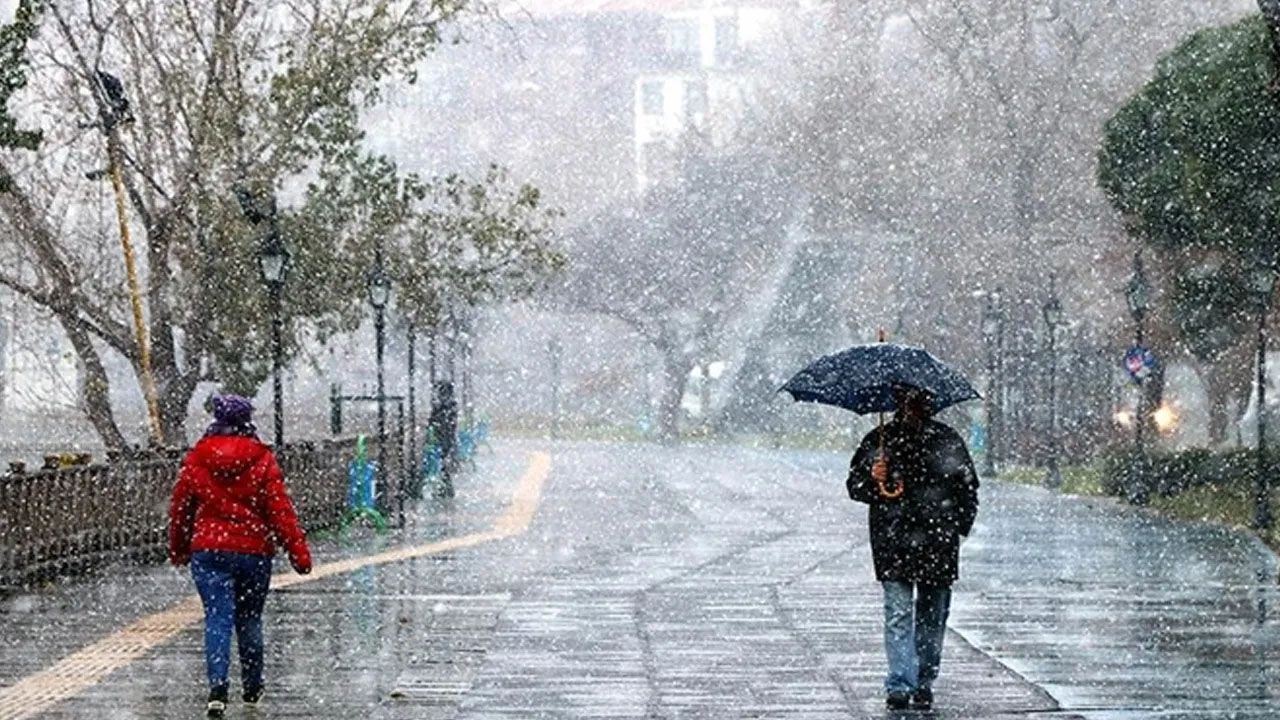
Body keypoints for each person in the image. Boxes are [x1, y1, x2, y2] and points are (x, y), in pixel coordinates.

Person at [169, 395, 312, 718]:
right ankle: (252, 685)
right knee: (249, 619)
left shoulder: (196, 459)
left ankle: (218, 688)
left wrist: (178, 548)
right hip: (253, 551)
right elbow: (280, 511)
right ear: (248, 421)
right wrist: (298, 552)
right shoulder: (262, 460)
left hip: (208, 550)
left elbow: (180, 509)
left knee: (217, 618)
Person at [846, 383, 979, 711]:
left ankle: (923, 679)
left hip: (936, 543)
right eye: (908, 402)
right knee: (899, 613)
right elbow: (855, 486)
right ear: (898, 403)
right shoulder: (880, 441)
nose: (914, 408)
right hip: (894, 541)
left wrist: (956, 527)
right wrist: (872, 477)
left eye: (920, 402)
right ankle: (900, 683)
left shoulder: (947, 441)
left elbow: (967, 489)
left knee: (932, 615)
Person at [427, 380, 459, 498]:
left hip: (444, 438)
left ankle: (445, 488)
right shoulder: (451, 405)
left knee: (443, 464)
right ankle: (445, 488)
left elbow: (434, 420)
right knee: (444, 465)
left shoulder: (446, 406)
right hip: (446, 438)